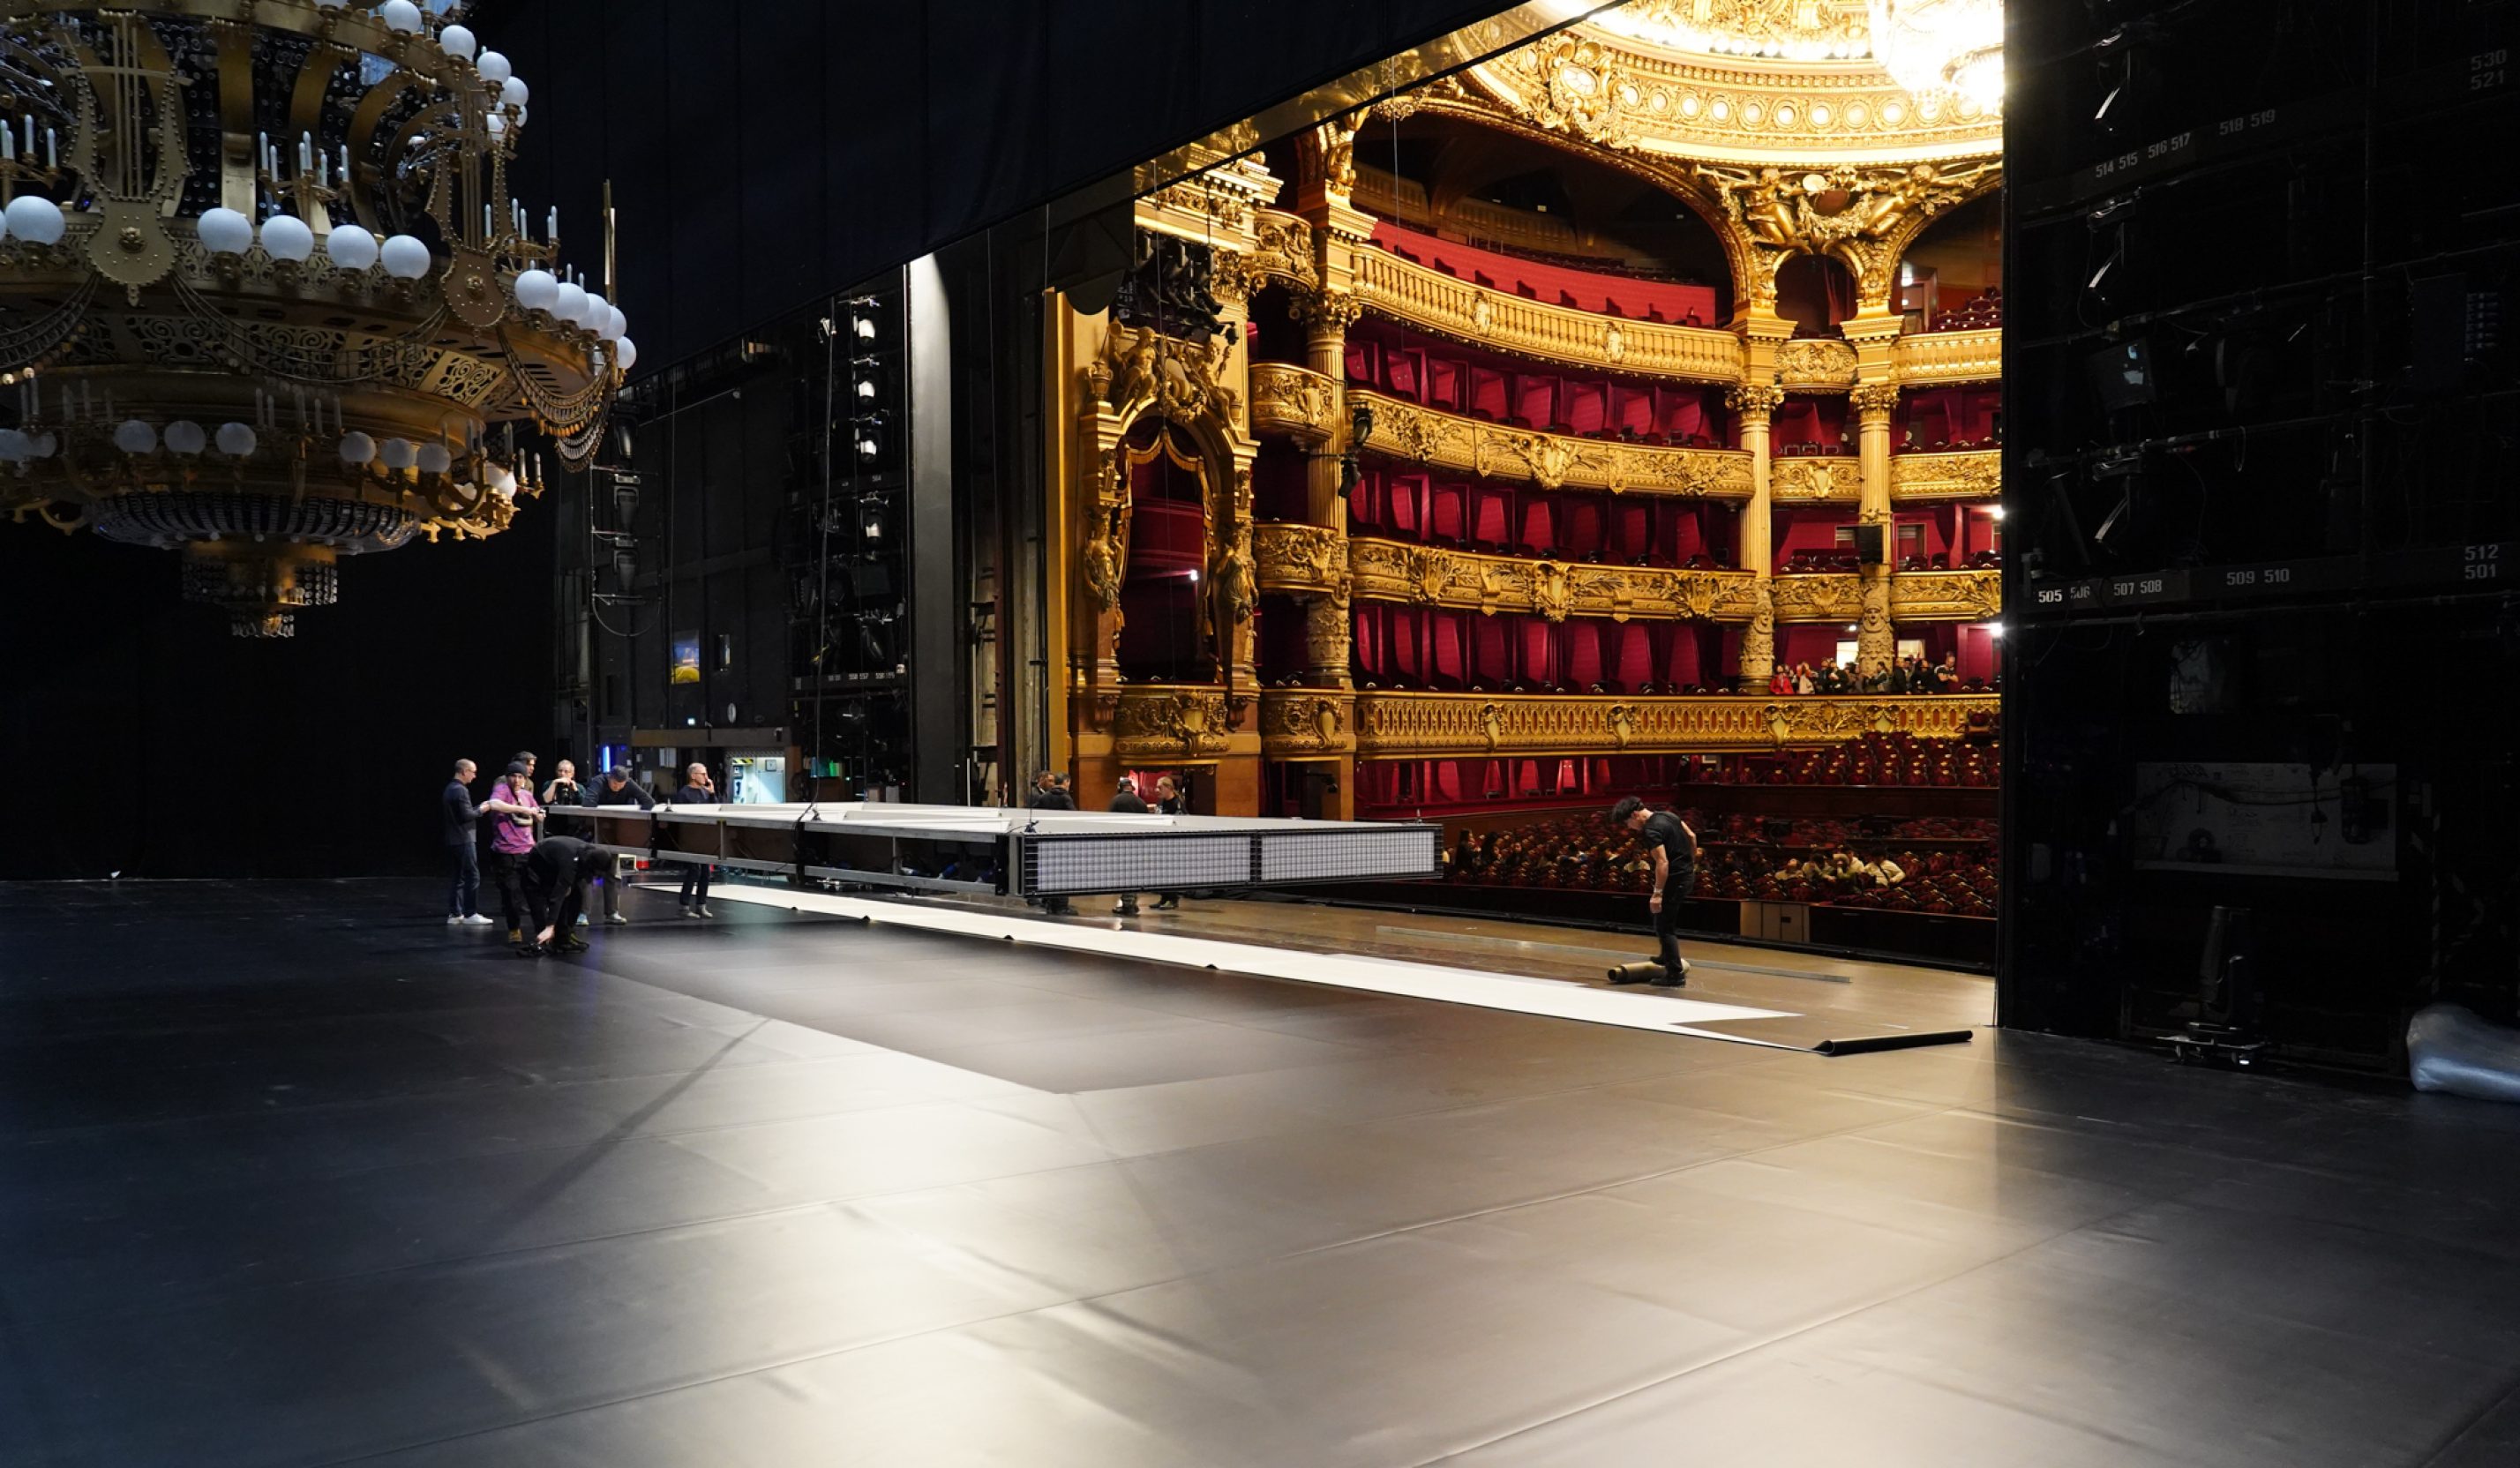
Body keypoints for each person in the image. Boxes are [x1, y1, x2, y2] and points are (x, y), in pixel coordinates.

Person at [1609, 795, 1698, 986]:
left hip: (1674, 879)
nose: (1630, 827)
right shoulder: (1668, 815)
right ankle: (1666, 956)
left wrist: (1657, 893)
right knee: (1661, 918)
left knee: (1665, 926)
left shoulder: (1651, 830)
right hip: (1686, 875)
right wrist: (1690, 863)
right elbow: (1692, 836)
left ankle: (1675, 974)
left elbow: (1662, 862)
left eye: (1628, 823)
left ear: (1635, 815)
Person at [483, 762, 543, 943]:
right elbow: (494, 804)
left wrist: (538, 814)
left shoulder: (527, 795)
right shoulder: (502, 790)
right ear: (507, 777)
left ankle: (541, 930)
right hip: (506, 853)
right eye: (513, 776)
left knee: (535, 893)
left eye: (520, 777)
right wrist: (523, 809)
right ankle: (514, 929)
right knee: (511, 894)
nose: (517, 780)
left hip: (527, 851)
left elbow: (539, 815)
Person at [517, 833, 603, 957]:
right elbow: (557, 897)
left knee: (575, 897)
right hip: (536, 867)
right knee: (540, 904)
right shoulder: (570, 862)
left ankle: (563, 938)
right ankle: (543, 938)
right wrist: (550, 926)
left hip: (555, 865)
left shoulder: (590, 855)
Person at [587, 766, 653, 924]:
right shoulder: (599, 781)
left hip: (614, 834)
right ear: (609, 778)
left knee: (613, 874)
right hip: (593, 831)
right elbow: (588, 803)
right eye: (615, 784)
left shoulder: (628, 783)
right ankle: (582, 914)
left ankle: (612, 913)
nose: (617, 788)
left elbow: (648, 802)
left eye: (621, 785)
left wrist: (628, 821)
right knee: (585, 875)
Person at [441, 759, 494, 926]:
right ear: (464, 771)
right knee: (473, 875)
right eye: (473, 772)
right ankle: (471, 913)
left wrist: (476, 808)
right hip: (464, 839)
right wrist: (482, 809)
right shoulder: (461, 790)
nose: (475, 776)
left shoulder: (450, 788)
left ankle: (455, 913)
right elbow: (466, 816)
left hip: (453, 839)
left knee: (458, 876)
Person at [1026, 769, 1077, 914]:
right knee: (1062, 873)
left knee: (1048, 871)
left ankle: (1049, 902)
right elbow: (1074, 817)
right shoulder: (1066, 798)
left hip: (1046, 839)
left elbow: (1034, 813)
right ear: (1066, 782)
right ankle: (1061, 906)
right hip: (1062, 840)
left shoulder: (1044, 797)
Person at [674, 761, 716, 917]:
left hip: (704, 836)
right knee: (694, 870)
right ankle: (684, 905)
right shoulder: (684, 794)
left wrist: (712, 794)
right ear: (693, 775)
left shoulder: (706, 793)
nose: (706, 777)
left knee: (706, 872)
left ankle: (701, 904)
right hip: (690, 837)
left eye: (706, 774)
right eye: (702, 774)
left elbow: (715, 810)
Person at [1108, 775, 1151, 915]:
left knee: (1125, 874)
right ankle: (1132, 902)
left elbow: (1109, 821)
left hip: (1122, 843)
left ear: (1120, 788)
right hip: (1138, 843)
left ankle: (1127, 904)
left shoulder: (1116, 801)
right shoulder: (1141, 802)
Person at [1150, 774, 1186, 910]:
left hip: (1172, 844)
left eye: (1160, 787)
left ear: (1169, 788)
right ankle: (1164, 898)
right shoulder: (1161, 802)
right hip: (1161, 842)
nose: (1156, 790)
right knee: (1161, 872)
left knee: (1170, 872)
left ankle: (1173, 899)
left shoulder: (1177, 803)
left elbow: (1181, 822)